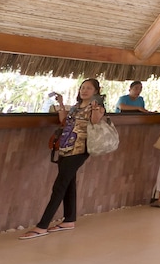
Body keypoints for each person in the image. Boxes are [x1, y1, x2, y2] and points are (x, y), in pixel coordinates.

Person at [20, 78, 106, 239]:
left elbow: (95, 122)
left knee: (60, 185)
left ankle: (42, 225)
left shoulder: (97, 107)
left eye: (88, 88)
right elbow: (64, 121)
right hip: (66, 147)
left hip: (80, 148)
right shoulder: (75, 107)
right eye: (82, 87)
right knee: (68, 182)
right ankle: (69, 219)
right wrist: (61, 104)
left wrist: (96, 109)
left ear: (96, 91)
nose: (84, 90)